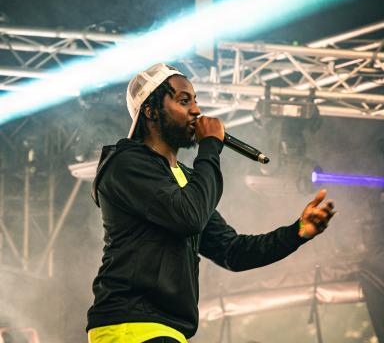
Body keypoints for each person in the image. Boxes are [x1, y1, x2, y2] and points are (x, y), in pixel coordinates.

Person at [86, 63, 335, 343]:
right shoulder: (127, 163)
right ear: (150, 111)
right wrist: (210, 147)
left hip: (167, 329)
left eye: (196, 101)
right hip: (131, 324)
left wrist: (298, 231)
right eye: (183, 101)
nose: (196, 110)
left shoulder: (185, 181)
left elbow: (233, 251)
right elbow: (189, 217)